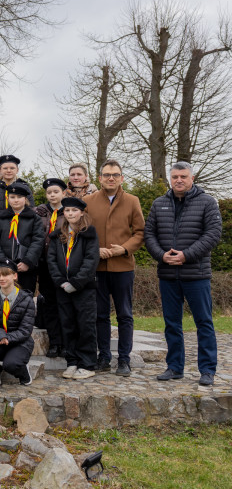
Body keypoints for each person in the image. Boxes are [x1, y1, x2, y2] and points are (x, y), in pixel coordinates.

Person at [144, 162, 222, 386]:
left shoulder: (207, 202)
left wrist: (186, 255)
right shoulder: (159, 203)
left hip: (196, 275)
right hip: (168, 274)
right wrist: (161, 256)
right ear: (170, 179)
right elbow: (149, 235)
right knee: (171, 324)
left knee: (204, 323)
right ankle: (174, 367)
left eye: (183, 176)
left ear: (192, 178)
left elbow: (213, 234)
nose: (179, 180)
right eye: (175, 176)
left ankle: (207, 370)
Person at [84, 160, 145, 377]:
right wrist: (95, 250)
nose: (111, 178)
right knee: (100, 315)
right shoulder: (88, 201)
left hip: (123, 267)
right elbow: (82, 232)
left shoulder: (132, 201)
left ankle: (124, 360)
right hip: (97, 267)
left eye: (115, 175)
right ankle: (104, 357)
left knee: (124, 315)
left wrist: (124, 249)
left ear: (122, 178)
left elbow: (140, 232)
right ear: (100, 178)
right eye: (107, 175)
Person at [47, 197, 100, 380]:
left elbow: (91, 260)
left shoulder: (89, 234)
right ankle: (72, 362)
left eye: (74, 211)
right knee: (67, 324)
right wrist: (61, 281)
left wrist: (76, 282)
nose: (70, 214)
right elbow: (51, 260)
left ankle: (87, 364)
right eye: (67, 211)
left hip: (83, 288)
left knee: (85, 325)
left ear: (82, 213)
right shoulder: (57, 235)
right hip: (63, 288)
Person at [0, 259, 35, 386]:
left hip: (20, 343)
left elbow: (25, 330)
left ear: (15, 276)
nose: (1, 278)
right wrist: (1, 337)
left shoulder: (27, 300)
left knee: (11, 365)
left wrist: (7, 338)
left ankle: (23, 372)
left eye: (6, 274)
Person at [0, 182, 44, 294]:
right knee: (4, 298)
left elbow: (37, 241)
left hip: (26, 268)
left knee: (25, 297)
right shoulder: (0, 218)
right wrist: (3, 262)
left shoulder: (34, 218)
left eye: (19, 197)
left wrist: (27, 261)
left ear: (25, 199)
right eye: (12, 197)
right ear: (7, 199)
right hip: (4, 269)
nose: (16, 200)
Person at [34, 178, 67, 358]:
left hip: (63, 265)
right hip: (44, 264)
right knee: (49, 304)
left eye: (56, 192)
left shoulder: (69, 211)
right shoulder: (39, 212)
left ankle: (66, 342)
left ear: (63, 193)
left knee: (64, 303)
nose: (52, 195)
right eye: (49, 192)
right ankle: (55, 342)